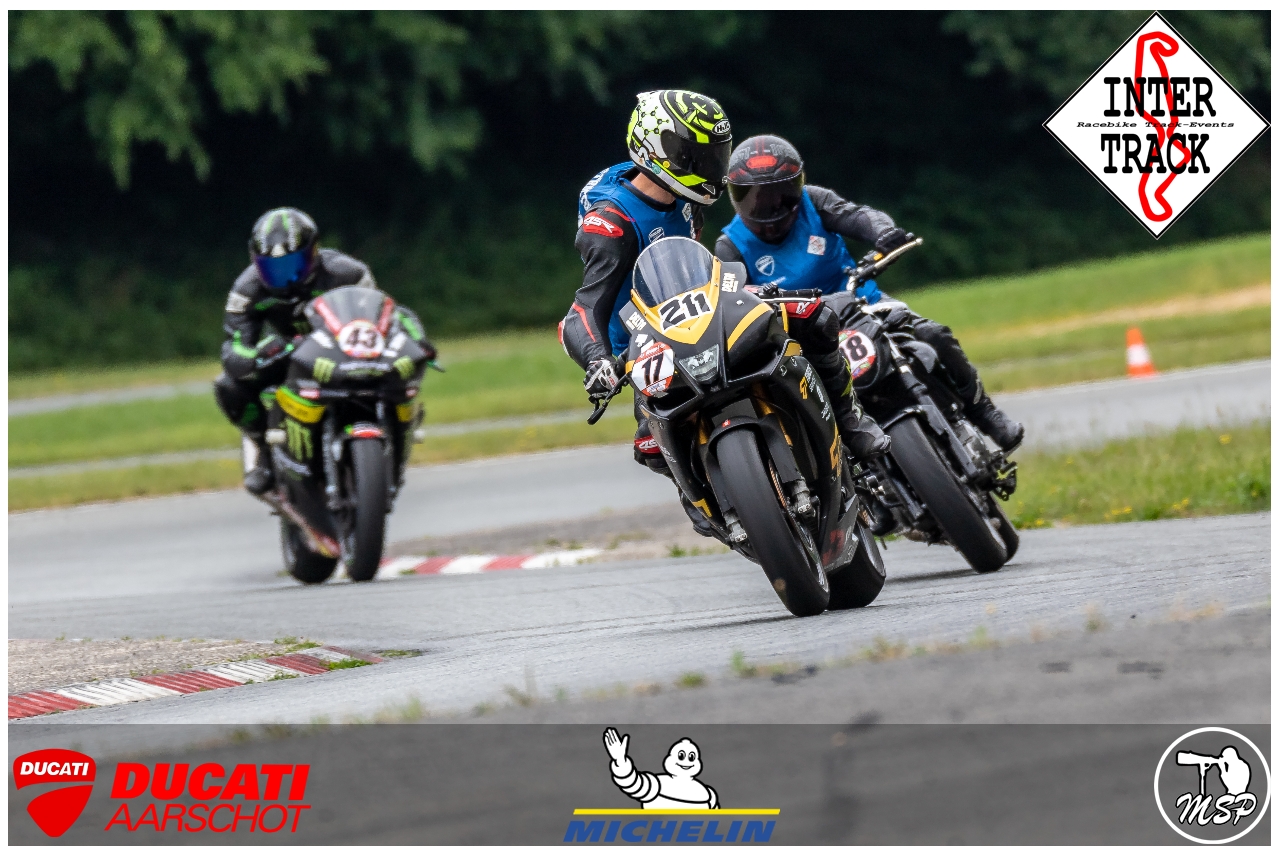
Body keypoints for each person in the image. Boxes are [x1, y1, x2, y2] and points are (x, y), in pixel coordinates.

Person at [560, 92, 889, 517]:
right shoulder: (611, 225)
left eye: (715, 155)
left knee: (817, 319)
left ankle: (850, 422)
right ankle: (703, 500)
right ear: (658, 150)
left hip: (706, 313)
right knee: (650, 445)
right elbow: (582, 312)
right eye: (697, 157)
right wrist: (597, 361)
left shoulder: (681, 196)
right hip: (647, 346)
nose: (712, 168)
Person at [715, 135, 1023, 450]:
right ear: (735, 196)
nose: (768, 208)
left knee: (934, 335)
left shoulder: (814, 202)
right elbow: (733, 300)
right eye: (753, 197)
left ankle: (987, 414)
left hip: (861, 302)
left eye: (779, 195)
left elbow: (858, 216)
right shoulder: (730, 246)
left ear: (797, 186)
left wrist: (884, 233)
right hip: (803, 336)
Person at [213, 207, 435, 494]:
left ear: (313, 252)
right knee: (229, 386)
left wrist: (416, 341)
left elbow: (384, 315)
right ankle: (261, 447)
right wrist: (257, 356)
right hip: (289, 351)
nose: (286, 278)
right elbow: (234, 346)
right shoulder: (246, 290)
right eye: (273, 269)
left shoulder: (349, 273)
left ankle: (393, 437)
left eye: (293, 265)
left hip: (345, 348)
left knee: (397, 375)